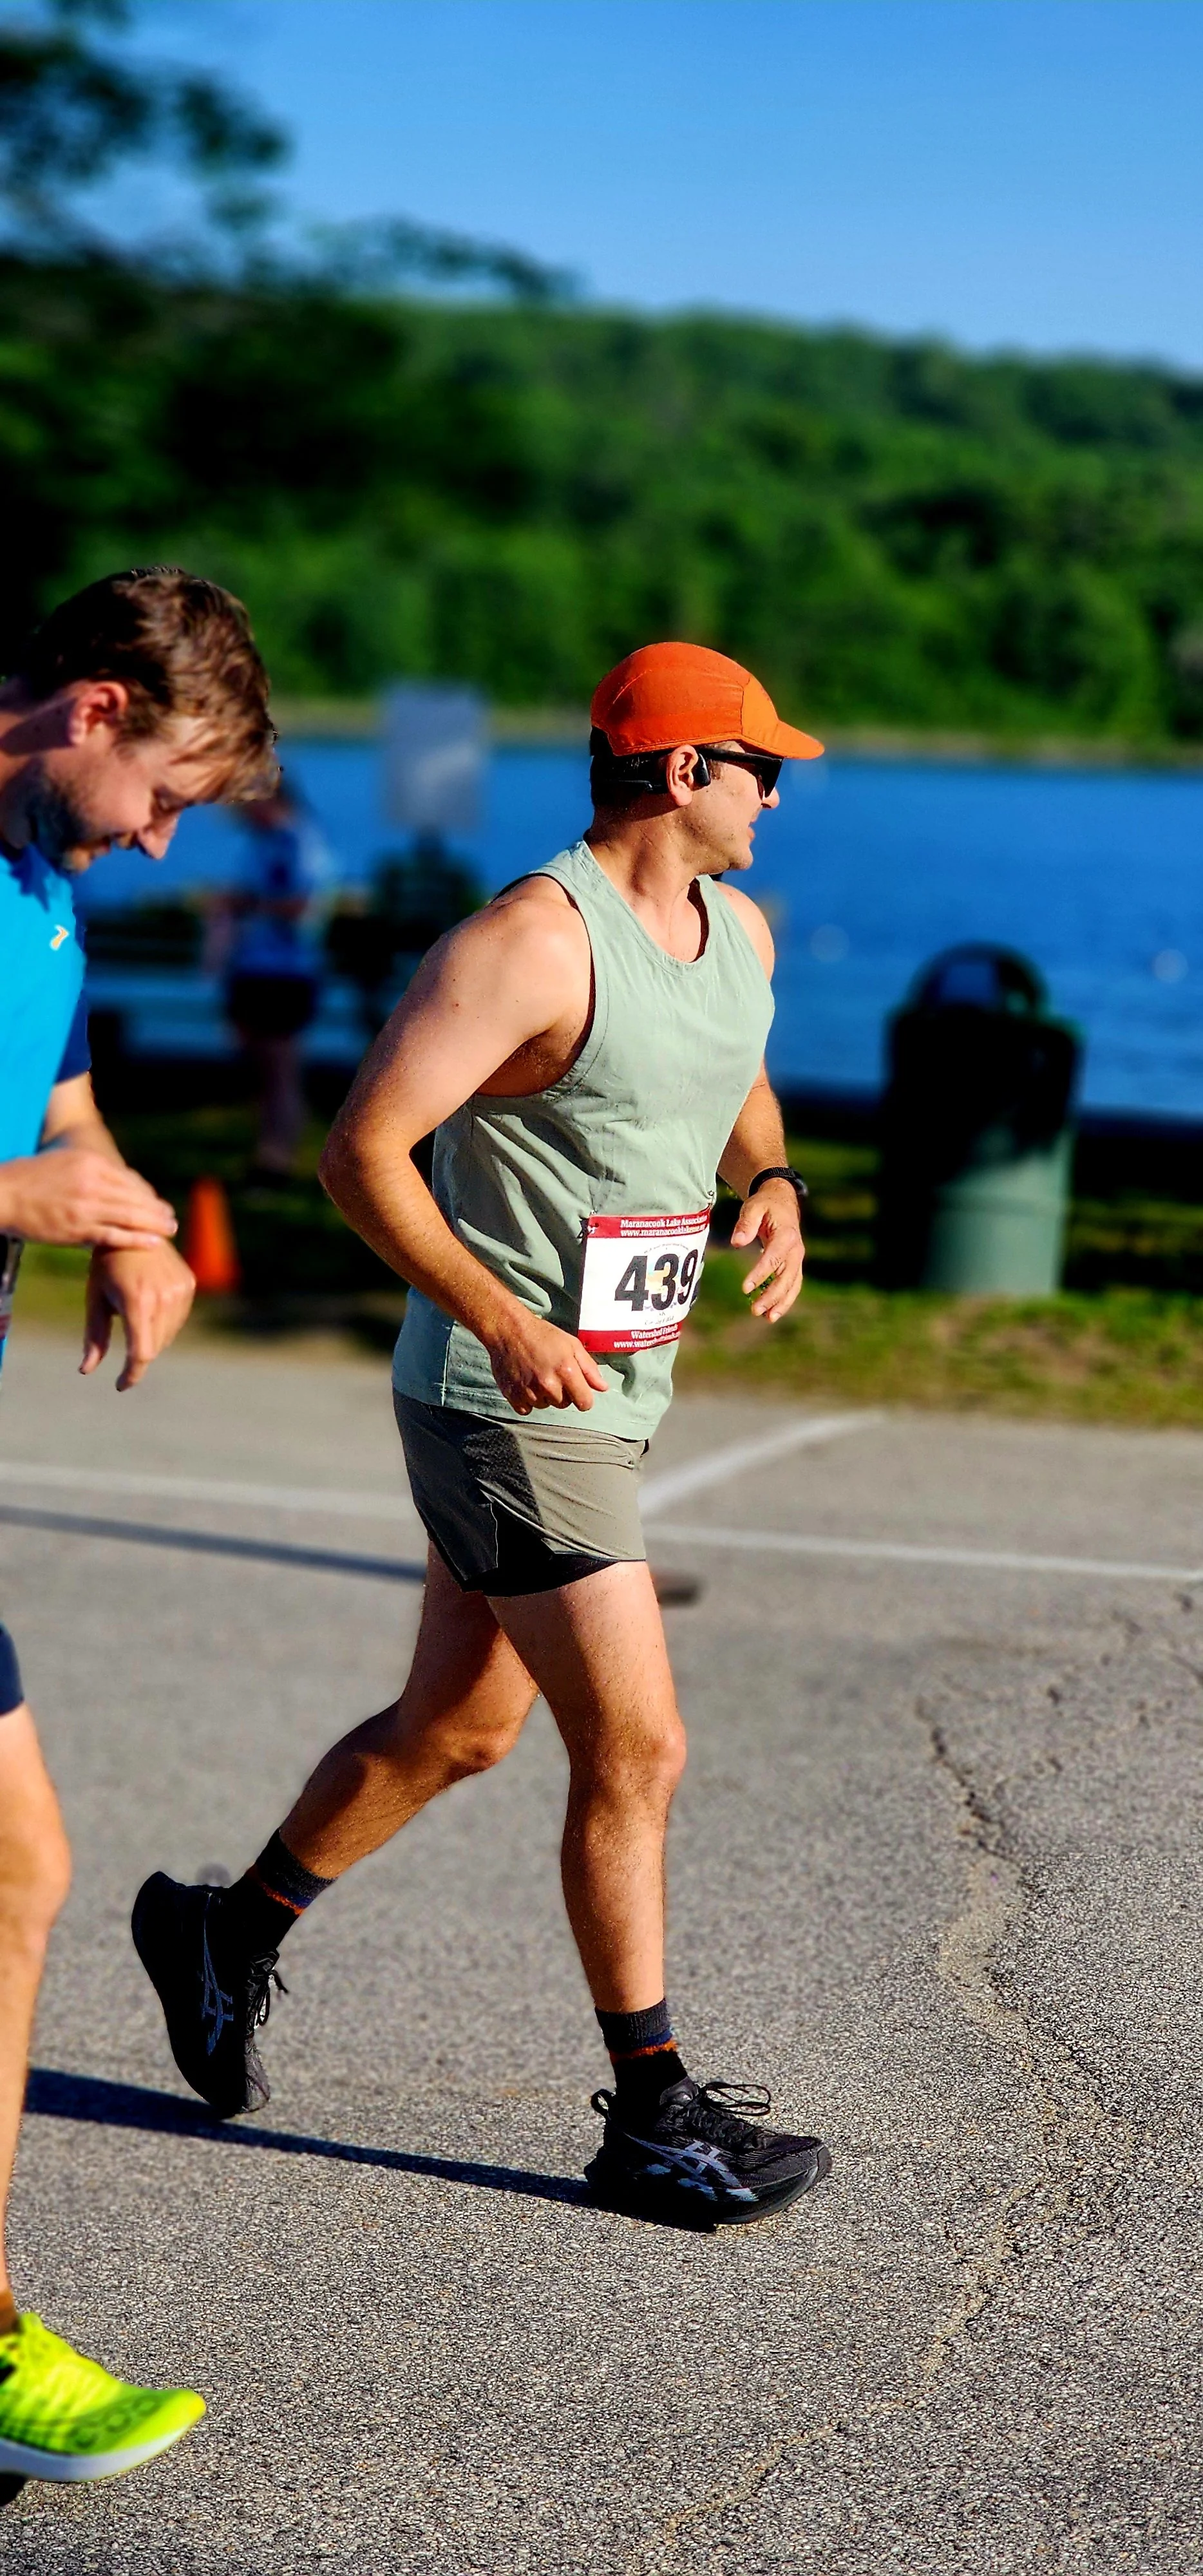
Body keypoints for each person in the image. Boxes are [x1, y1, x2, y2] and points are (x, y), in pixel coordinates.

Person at [134, 640, 833, 2228]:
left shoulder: (739, 931)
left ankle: (221, 1932)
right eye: (756, 766)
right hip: (501, 1400)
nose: (775, 793)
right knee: (637, 1744)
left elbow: (736, 1077)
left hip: (613, 1392)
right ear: (677, 772)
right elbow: (361, 1153)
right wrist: (505, 1317)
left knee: (457, 1728)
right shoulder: (525, 942)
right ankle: (648, 2112)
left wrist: (771, 1184)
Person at [0, 567, 276, 2483]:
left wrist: (138, 1218)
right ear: (93, 707)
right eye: (166, 790)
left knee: (16, 1867)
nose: (166, 836)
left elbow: (66, 1112)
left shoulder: (47, 898)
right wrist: (31, 1203)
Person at [214, 776, 331, 1180]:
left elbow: (302, 905)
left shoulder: (298, 841)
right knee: (259, 1066)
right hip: (252, 968)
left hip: (286, 972)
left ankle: (280, 1156)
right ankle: (265, 1150)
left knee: (282, 1066)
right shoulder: (260, 841)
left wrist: (244, 904)